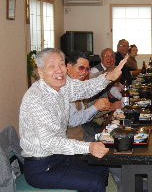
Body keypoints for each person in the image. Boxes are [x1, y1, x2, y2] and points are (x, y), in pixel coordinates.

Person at [19, 48, 127, 192]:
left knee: (101, 167)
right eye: (52, 66)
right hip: (42, 167)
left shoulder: (63, 87)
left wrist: (108, 77)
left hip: (61, 157)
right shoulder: (36, 98)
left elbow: (86, 88)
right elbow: (50, 143)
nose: (59, 70)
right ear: (40, 72)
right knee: (93, 184)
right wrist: (88, 147)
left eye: (61, 64)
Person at [66, 51, 113, 142]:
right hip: (71, 144)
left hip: (81, 136)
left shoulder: (77, 85)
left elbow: (84, 116)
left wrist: (97, 108)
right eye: (80, 68)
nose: (84, 73)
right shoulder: (64, 87)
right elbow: (73, 121)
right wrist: (96, 107)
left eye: (87, 69)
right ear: (69, 67)